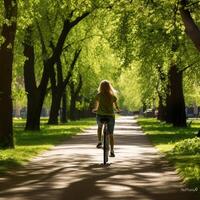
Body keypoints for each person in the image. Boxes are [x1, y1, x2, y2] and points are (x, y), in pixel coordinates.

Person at [92, 80, 120, 157]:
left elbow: (97, 107)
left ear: (100, 87)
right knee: (111, 134)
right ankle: (112, 151)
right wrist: (118, 110)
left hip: (100, 115)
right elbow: (116, 107)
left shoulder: (98, 95)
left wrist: (95, 110)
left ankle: (99, 141)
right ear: (109, 87)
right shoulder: (112, 96)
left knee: (99, 127)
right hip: (110, 116)